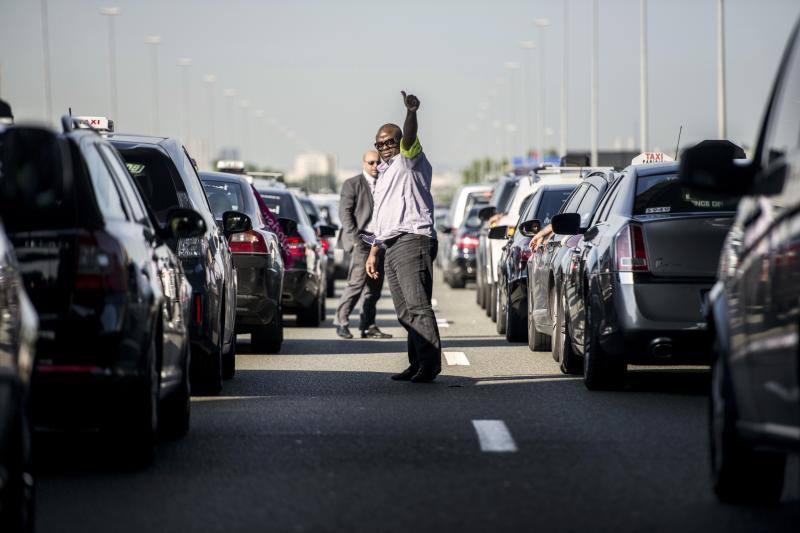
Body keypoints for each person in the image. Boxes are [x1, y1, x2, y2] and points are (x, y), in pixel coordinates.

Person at [366, 91, 441, 383]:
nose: (385, 146)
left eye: (389, 141)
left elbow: (409, 137)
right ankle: (416, 363)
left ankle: (430, 365)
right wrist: (374, 251)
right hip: (392, 245)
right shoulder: (383, 175)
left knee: (417, 306)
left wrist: (411, 113)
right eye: (379, 143)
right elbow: (382, 219)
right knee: (403, 311)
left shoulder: (409, 160)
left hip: (413, 239)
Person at [334, 150, 393, 340]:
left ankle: (368, 325)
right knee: (357, 283)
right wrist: (356, 241)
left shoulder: (386, 182)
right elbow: (345, 215)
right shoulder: (352, 184)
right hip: (360, 241)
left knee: (375, 287)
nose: (375, 166)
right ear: (363, 163)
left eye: (378, 163)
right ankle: (341, 322)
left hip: (380, 242)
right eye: (371, 163)